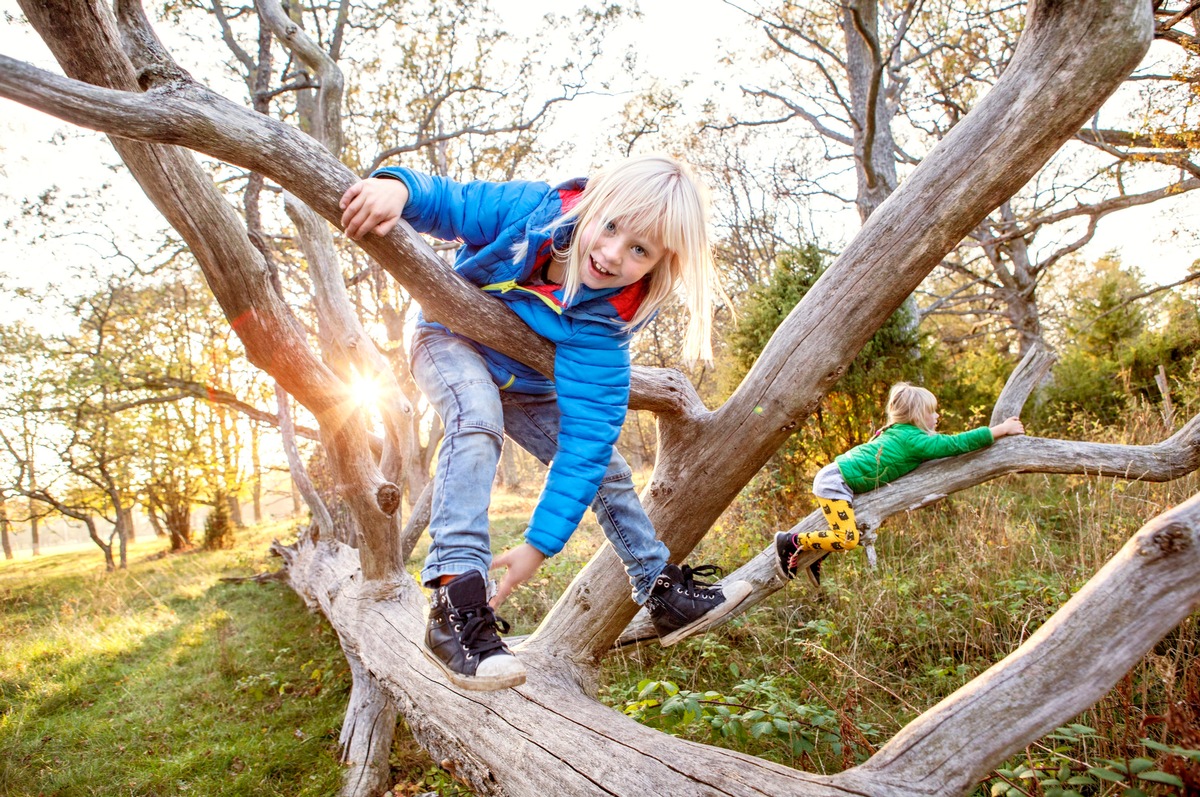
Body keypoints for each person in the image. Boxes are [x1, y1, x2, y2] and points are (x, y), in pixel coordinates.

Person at [340, 155, 752, 691]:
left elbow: (586, 444)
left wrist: (536, 547)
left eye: (639, 250)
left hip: (527, 387)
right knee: (475, 418)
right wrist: (396, 189)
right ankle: (453, 601)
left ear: (658, 263)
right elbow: (451, 199)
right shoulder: (532, 211)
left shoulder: (605, 330)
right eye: (610, 227)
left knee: (608, 469)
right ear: (594, 204)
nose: (610, 254)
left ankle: (659, 588)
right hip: (448, 341)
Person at [775, 382, 1025, 586]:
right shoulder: (913, 439)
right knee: (849, 538)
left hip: (839, 477)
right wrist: (1001, 429)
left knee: (843, 528)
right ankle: (792, 542)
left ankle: (816, 555)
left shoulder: (899, 431)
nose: (937, 416)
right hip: (836, 481)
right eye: (932, 412)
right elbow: (956, 444)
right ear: (918, 416)